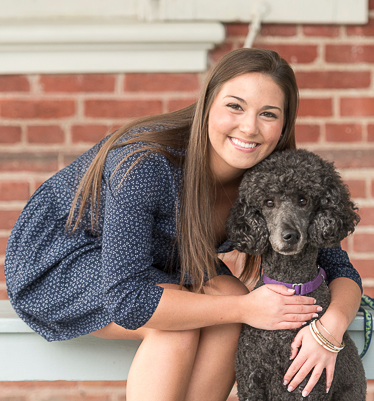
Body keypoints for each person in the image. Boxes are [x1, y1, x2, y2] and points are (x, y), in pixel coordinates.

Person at [5, 48, 362, 401]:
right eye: (234, 106)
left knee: (231, 295)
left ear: (283, 125)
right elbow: (130, 301)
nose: (249, 127)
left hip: (155, 265)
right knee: (177, 329)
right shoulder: (146, 164)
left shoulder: (274, 177)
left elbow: (338, 268)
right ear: (207, 105)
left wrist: (329, 329)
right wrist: (245, 309)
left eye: (268, 114)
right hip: (59, 258)